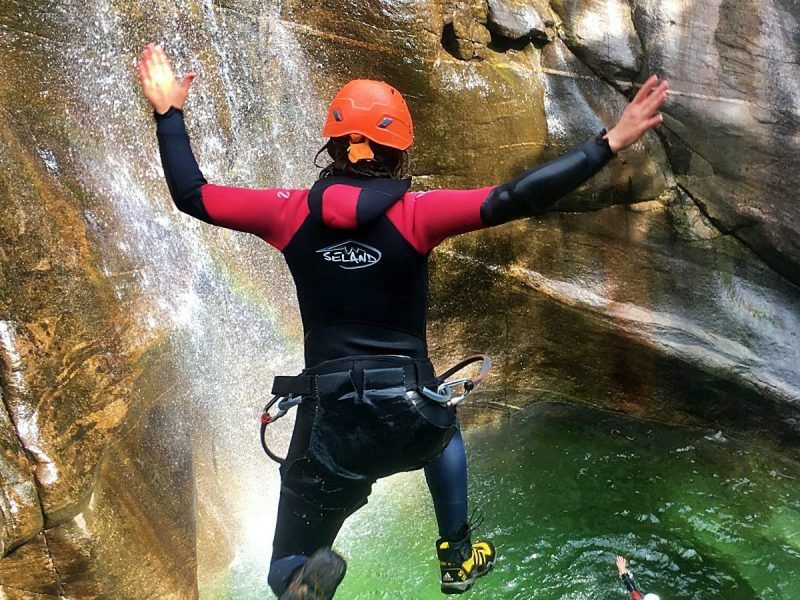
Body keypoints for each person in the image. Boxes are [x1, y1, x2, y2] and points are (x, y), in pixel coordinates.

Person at [136, 41, 668, 599]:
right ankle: (457, 554)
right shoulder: (418, 215)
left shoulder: (286, 213)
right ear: (399, 153)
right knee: (443, 416)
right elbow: (516, 196)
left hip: (331, 424)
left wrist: (169, 113)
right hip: (411, 415)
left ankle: (301, 578)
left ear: (332, 144)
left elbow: (192, 194)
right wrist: (609, 142)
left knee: (284, 563)